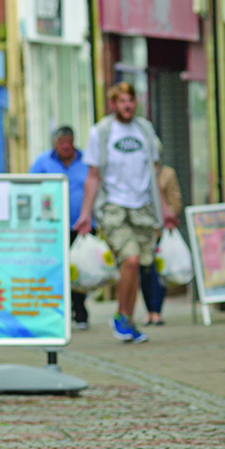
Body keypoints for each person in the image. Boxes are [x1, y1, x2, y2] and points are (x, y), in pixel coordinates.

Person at [74, 81, 177, 345]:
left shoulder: (145, 130)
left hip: (142, 207)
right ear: (113, 104)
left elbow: (154, 174)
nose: (127, 105)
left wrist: (164, 210)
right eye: (122, 101)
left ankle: (127, 321)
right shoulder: (102, 132)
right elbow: (93, 175)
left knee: (140, 264)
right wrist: (86, 214)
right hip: (113, 207)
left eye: (130, 100)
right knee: (129, 260)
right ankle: (122, 317)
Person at [30, 125, 93, 329]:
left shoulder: (86, 161)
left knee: (79, 269)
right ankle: (58, 312)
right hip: (52, 227)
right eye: (61, 142)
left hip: (81, 225)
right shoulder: (43, 162)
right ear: (55, 143)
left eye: (69, 142)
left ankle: (80, 311)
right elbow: (29, 187)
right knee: (56, 269)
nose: (66, 146)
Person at [140, 148, 184, 326]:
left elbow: (176, 200)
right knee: (144, 271)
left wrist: (168, 217)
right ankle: (148, 311)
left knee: (159, 271)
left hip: (161, 231)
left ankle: (157, 310)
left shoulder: (167, 174)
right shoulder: (137, 173)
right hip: (142, 230)